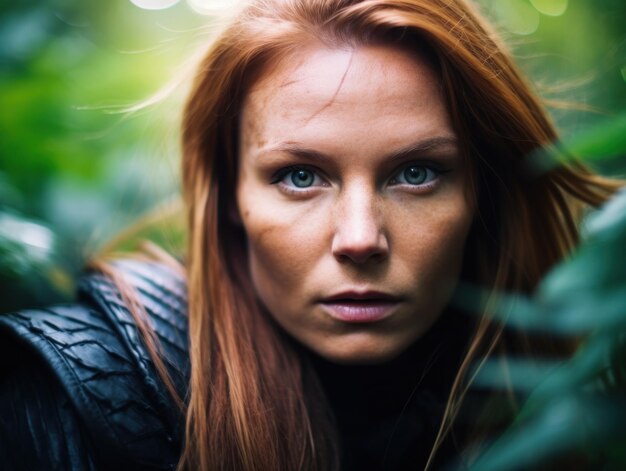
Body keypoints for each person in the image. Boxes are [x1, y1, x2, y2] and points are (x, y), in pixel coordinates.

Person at [0, 0, 620, 469]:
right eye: (300, 176)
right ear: (230, 197)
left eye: (416, 172)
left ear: (482, 193)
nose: (359, 238)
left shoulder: (577, 409)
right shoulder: (63, 400)